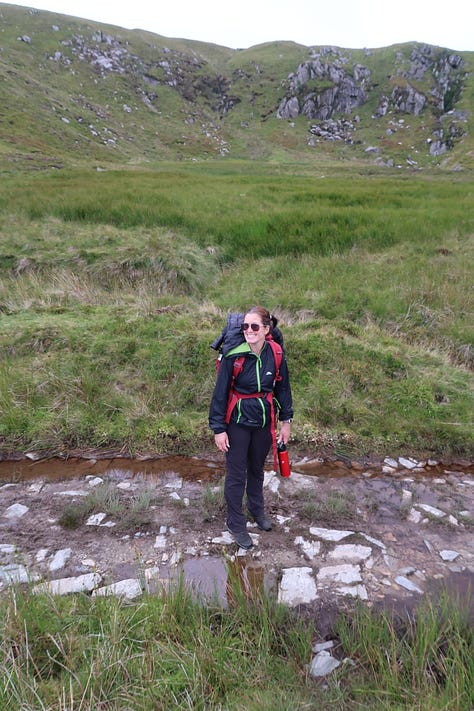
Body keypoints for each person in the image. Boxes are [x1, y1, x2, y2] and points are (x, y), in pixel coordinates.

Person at [209, 306, 293, 549]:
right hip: (237, 422)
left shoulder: (275, 353)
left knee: (257, 469)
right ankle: (235, 524)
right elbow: (220, 393)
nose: (249, 331)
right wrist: (218, 429)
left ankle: (258, 512)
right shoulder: (234, 355)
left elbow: (283, 389)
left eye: (254, 326)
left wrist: (286, 422)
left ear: (266, 330)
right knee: (236, 474)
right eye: (245, 326)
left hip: (264, 421)